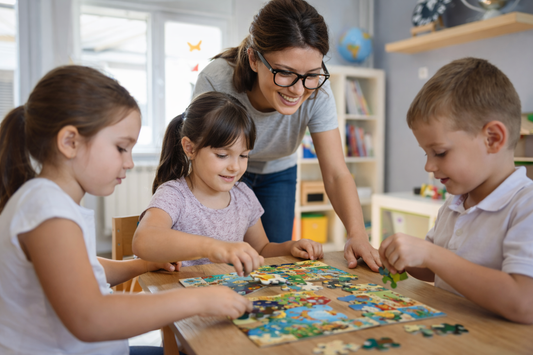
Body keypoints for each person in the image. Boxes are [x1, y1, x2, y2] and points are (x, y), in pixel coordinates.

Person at [0, 66, 253, 355]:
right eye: (121, 148)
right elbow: (90, 318)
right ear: (70, 142)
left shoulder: (50, 202)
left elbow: (86, 268)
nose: (129, 162)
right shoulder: (46, 211)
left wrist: (141, 266)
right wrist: (199, 300)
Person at [192, 0, 380, 271]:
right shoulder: (216, 81)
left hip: (278, 171)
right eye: (285, 73)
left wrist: (358, 234)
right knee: (218, 260)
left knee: (276, 262)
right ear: (254, 59)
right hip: (222, 170)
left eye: (311, 75)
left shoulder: (317, 95)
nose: (297, 90)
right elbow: (197, 154)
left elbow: (337, 173)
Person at [379, 57, 533, 324]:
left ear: (493, 139)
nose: (429, 165)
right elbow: (435, 269)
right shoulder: (455, 203)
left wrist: (431, 254)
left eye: (439, 152)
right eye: (426, 153)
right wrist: (402, 256)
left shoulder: (526, 205)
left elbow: (524, 303)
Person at [132, 91, 324, 276]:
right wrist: (214, 247)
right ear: (190, 148)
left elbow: (261, 249)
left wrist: (290, 247)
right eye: (222, 155)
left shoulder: (243, 195)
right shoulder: (174, 195)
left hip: (228, 299)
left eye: (243, 155)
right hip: (183, 301)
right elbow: (143, 240)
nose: (234, 167)